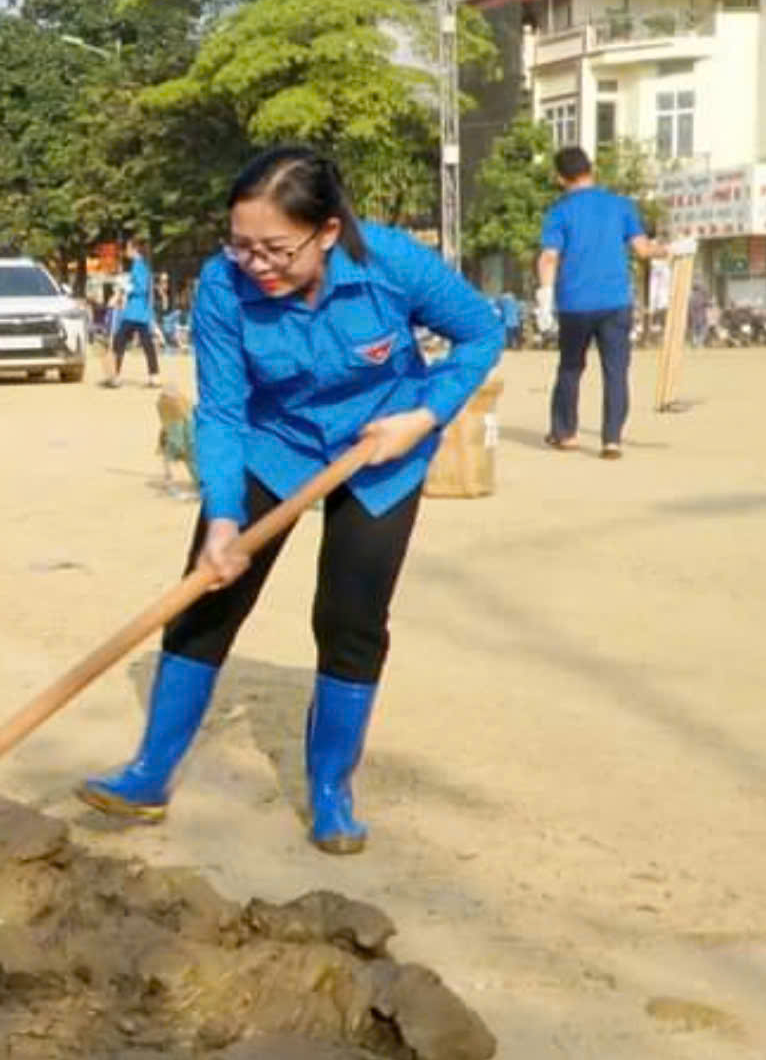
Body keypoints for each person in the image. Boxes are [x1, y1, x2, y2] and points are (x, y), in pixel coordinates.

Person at [76, 146, 503, 854]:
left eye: (275, 248)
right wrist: (221, 517)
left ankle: (331, 790)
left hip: (379, 450)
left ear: (327, 231)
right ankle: (150, 772)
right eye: (241, 246)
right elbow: (222, 411)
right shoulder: (222, 286)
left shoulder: (391, 264)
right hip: (273, 444)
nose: (256, 264)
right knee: (205, 596)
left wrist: (424, 416)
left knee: (350, 618)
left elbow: (481, 330)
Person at [538, 147, 660, 459]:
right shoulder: (621, 206)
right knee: (616, 371)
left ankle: (565, 433)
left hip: (574, 303)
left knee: (570, 368)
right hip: (615, 301)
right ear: (591, 170)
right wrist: (671, 249)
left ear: (560, 178)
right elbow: (643, 249)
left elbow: (549, 256)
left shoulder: (560, 212)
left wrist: (545, 297)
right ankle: (612, 440)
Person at [104, 237, 160, 388]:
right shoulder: (139, 266)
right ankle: (153, 376)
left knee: (120, 342)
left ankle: (116, 376)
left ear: (134, 250)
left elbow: (141, 288)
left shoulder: (139, 266)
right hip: (138, 311)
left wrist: (125, 287)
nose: (126, 251)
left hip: (136, 311)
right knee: (146, 344)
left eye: (128, 248)